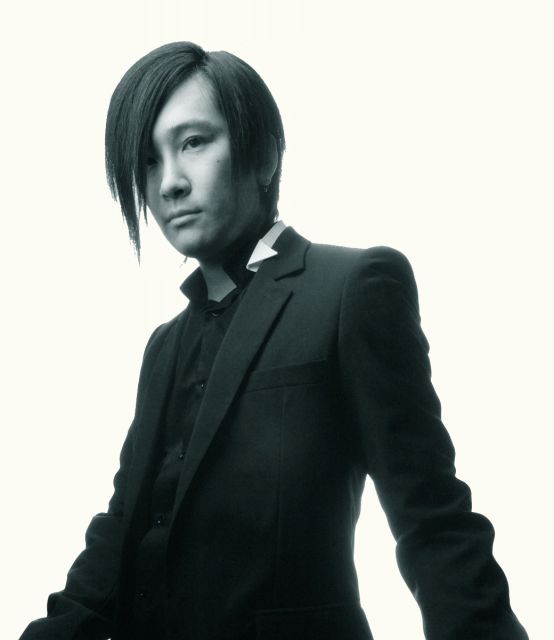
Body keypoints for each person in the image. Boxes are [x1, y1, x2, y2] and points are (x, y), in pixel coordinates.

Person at [20, 41, 528, 640]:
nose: (170, 183)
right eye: (149, 161)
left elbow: (433, 522)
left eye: (193, 142)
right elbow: (121, 534)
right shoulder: (163, 348)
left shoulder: (353, 287)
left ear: (262, 153)